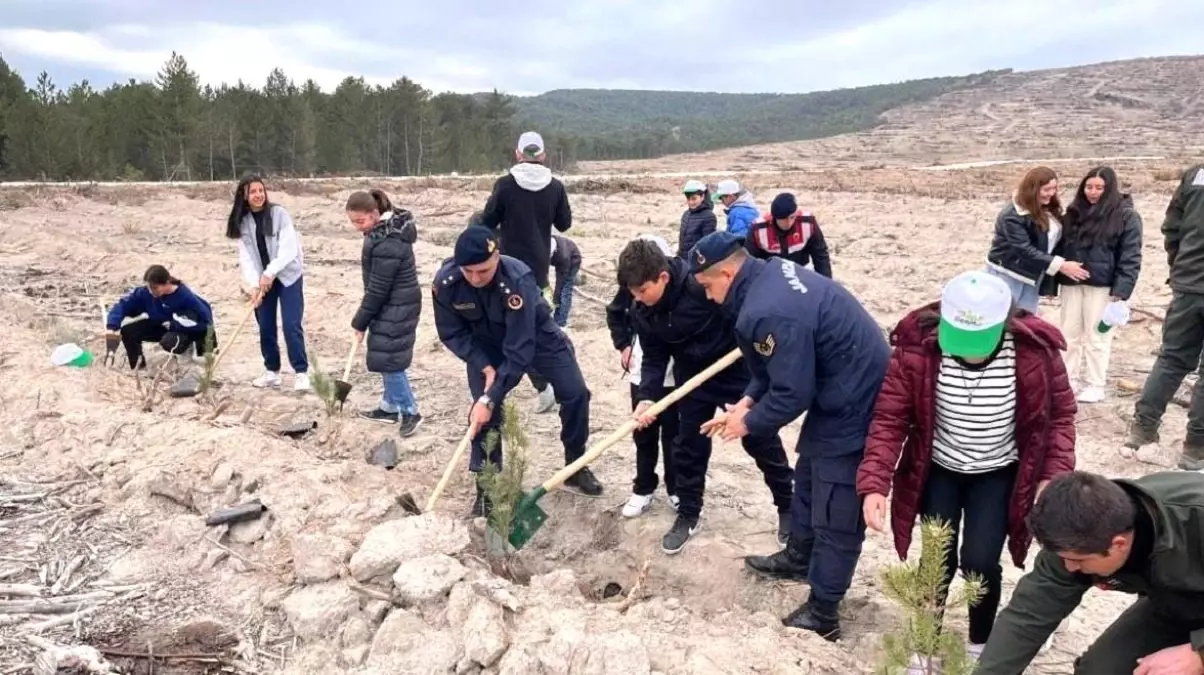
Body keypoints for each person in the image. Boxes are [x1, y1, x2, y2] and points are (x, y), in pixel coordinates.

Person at [856, 270, 1077, 665]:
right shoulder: (916, 351)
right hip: (939, 467)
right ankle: (924, 648)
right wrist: (875, 484)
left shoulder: (1035, 353)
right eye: (957, 339)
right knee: (936, 560)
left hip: (998, 471)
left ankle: (980, 642)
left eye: (976, 342)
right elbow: (890, 420)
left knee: (980, 560)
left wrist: (1051, 476)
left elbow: (1060, 417)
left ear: (1003, 324)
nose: (964, 350)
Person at [691, 231, 889, 641]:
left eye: (708, 286)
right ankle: (800, 555)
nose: (708, 297)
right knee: (810, 475)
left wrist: (746, 424)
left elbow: (791, 392)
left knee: (836, 500)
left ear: (727, 273)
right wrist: (746, 402)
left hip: (858, 396)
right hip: (833, 384)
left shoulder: (766, 311)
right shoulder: (766, 277)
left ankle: (824, 613)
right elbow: (774, 368)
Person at [622, 238, 794, 555]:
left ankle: (788, 505)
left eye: (643, 290)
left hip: (735, 370)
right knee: (688, 445)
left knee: (759, 438)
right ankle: (689, 513)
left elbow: (744, 316)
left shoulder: (698, 285)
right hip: (693, 380)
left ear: (663, 277)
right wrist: (646, 397)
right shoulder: (643, 311)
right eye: (633, 293)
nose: (638, 298)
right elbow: (655, 357)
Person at [433, 226, 602, 516]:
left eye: (482, 271)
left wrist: (493, 393)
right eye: (468, 271)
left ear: (497, 257)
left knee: (575, 394)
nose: (474, 278)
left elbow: (520, 346)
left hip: (537, 338)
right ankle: (487, 489)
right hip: (484, 346)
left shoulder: (516, 279)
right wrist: (484, 366)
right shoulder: (446, 283)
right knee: (484, 418)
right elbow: (451, 333)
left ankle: (575, 465)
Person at [973, 470, 1204, 675]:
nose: (1069, 568)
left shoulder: (1195, 519)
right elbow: (1027, 619)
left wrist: (1198, 654)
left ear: (1119, 544)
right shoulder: (1075, 534)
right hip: (1175, 606)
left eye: (1077, 561)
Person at [1127, 161, 1204, 470]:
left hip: (1187, 283)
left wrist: (1181, 267)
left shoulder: (1196, 175)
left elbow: (1172, 226)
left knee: (1171, 359)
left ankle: (1142, 429)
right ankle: (1196, 447)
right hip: (1188, 279)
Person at [606, 234, 681, 517]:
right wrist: (624, 344)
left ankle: (676, 489)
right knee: (644, 434)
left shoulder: (681, 292)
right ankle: (643, 488)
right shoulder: (635, 287)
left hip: (677, 379)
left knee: (675, 437)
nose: (638, 297)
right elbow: (615, 315)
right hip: (643, 375)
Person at [1056, 166, 1143, 404]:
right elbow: (1060, 247)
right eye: (1089, 187)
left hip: (1102, 286)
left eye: (1099, 188)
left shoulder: (1126, 216)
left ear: (1110, 188)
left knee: (1097, 337)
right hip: (1072, 283)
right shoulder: (1073, 213)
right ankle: (1068, 380)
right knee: (1069, 334)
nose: (1093, 192)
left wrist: (1122, 291)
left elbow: (1131, 256)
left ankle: (1095, 384)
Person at [345, 189, 424, 437]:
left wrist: (360, 322)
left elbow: (378, 289)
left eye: (361, 221)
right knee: (383, 352)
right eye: (353, 222)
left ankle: (410, 411)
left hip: (398, 305)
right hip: (393, 303)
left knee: (391, 360)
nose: (358, 227)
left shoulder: (388, 241)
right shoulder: (382, 231)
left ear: (374, 214)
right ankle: (389, 407)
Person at [226, 175, 310, 391]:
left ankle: (301, 372)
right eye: (253, 191)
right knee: (265, 325)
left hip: (288, 276)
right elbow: (246, 257)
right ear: (244, 196)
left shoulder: (278, 214)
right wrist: (255, 283)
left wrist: (270, 273)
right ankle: (272, 371)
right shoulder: (242, 222)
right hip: (263, 281)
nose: (258, 195)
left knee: (291, 325)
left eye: (260, 190)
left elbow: (288, 250)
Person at [986, 166, 1087, 313]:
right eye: (1046, 189)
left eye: (1054, 189)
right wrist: (1061, 266)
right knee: (1001, 317)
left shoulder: (1047, 207)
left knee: (1025, 320)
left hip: (1032, 275)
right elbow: (1023, 249)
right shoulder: (1012, 215)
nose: (1051, 194)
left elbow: (1049, 244)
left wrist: (1050, 282)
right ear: (1032, 189)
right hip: (1008, 273)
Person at [479, 131, 572, 291]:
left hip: (508, 265)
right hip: (540, 267)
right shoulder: (556, 187)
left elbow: (487, 221)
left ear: (518, 154)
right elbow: (564, 224)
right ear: (542, 155)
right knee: (537, 309)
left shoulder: (504, 184)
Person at [105, 265, 215, 370]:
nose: (151, 291)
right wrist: (112, 326)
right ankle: (138, 367)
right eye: (149, 287)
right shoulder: (147, 294)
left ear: (167, 283)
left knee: (169, 341)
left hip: (185, 330)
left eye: (154, 287)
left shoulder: (185, 298)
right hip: (162, 325)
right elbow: (123, 305)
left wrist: (175, 325)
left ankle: (182, 363)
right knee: (128, 331)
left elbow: (206, 323)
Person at [744, 192, 833, 278]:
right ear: (774, 217)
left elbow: (820, 254)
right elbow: (750, 261)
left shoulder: (807, 223)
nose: (788, 223)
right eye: (783, 220)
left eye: (792, 217)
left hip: (800, 270)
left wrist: (826, 283)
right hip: (770, 275)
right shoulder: (758, 229)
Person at [677, 179, 717, 257]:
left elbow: (707, 244)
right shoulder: (686, 214)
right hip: (683, 259)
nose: (691, 202)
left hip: (697, 262)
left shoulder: (709, 216)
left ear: (702, 197)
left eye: (694, 198)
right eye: (688, 199)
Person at [549, 233, 581, 328]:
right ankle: (555, 319)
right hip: (563, 259)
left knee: (565, 291)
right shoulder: (544, 241)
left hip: (573, 260)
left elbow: (560, 281)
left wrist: (555, 299)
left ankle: (561, 322)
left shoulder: (563, 257)